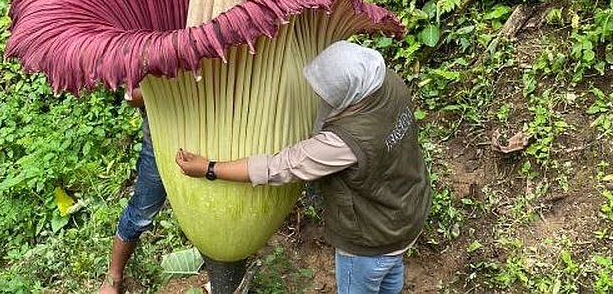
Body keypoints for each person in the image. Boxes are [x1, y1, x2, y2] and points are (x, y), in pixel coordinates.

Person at [176, 41, 430, 294]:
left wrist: (210, 168)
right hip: (409, 212)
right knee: (390, 279)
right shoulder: (386, 81)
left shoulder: (346, 142)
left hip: (372, 240)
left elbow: (280, 167)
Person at [100, 88, 166, 294]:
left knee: (206, 212)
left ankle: (222, 276)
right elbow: (132, 97)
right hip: (159, 144)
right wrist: (177, 84)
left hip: (207, 143)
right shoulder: (139, 63)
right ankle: (114, 277)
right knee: (141, 212)